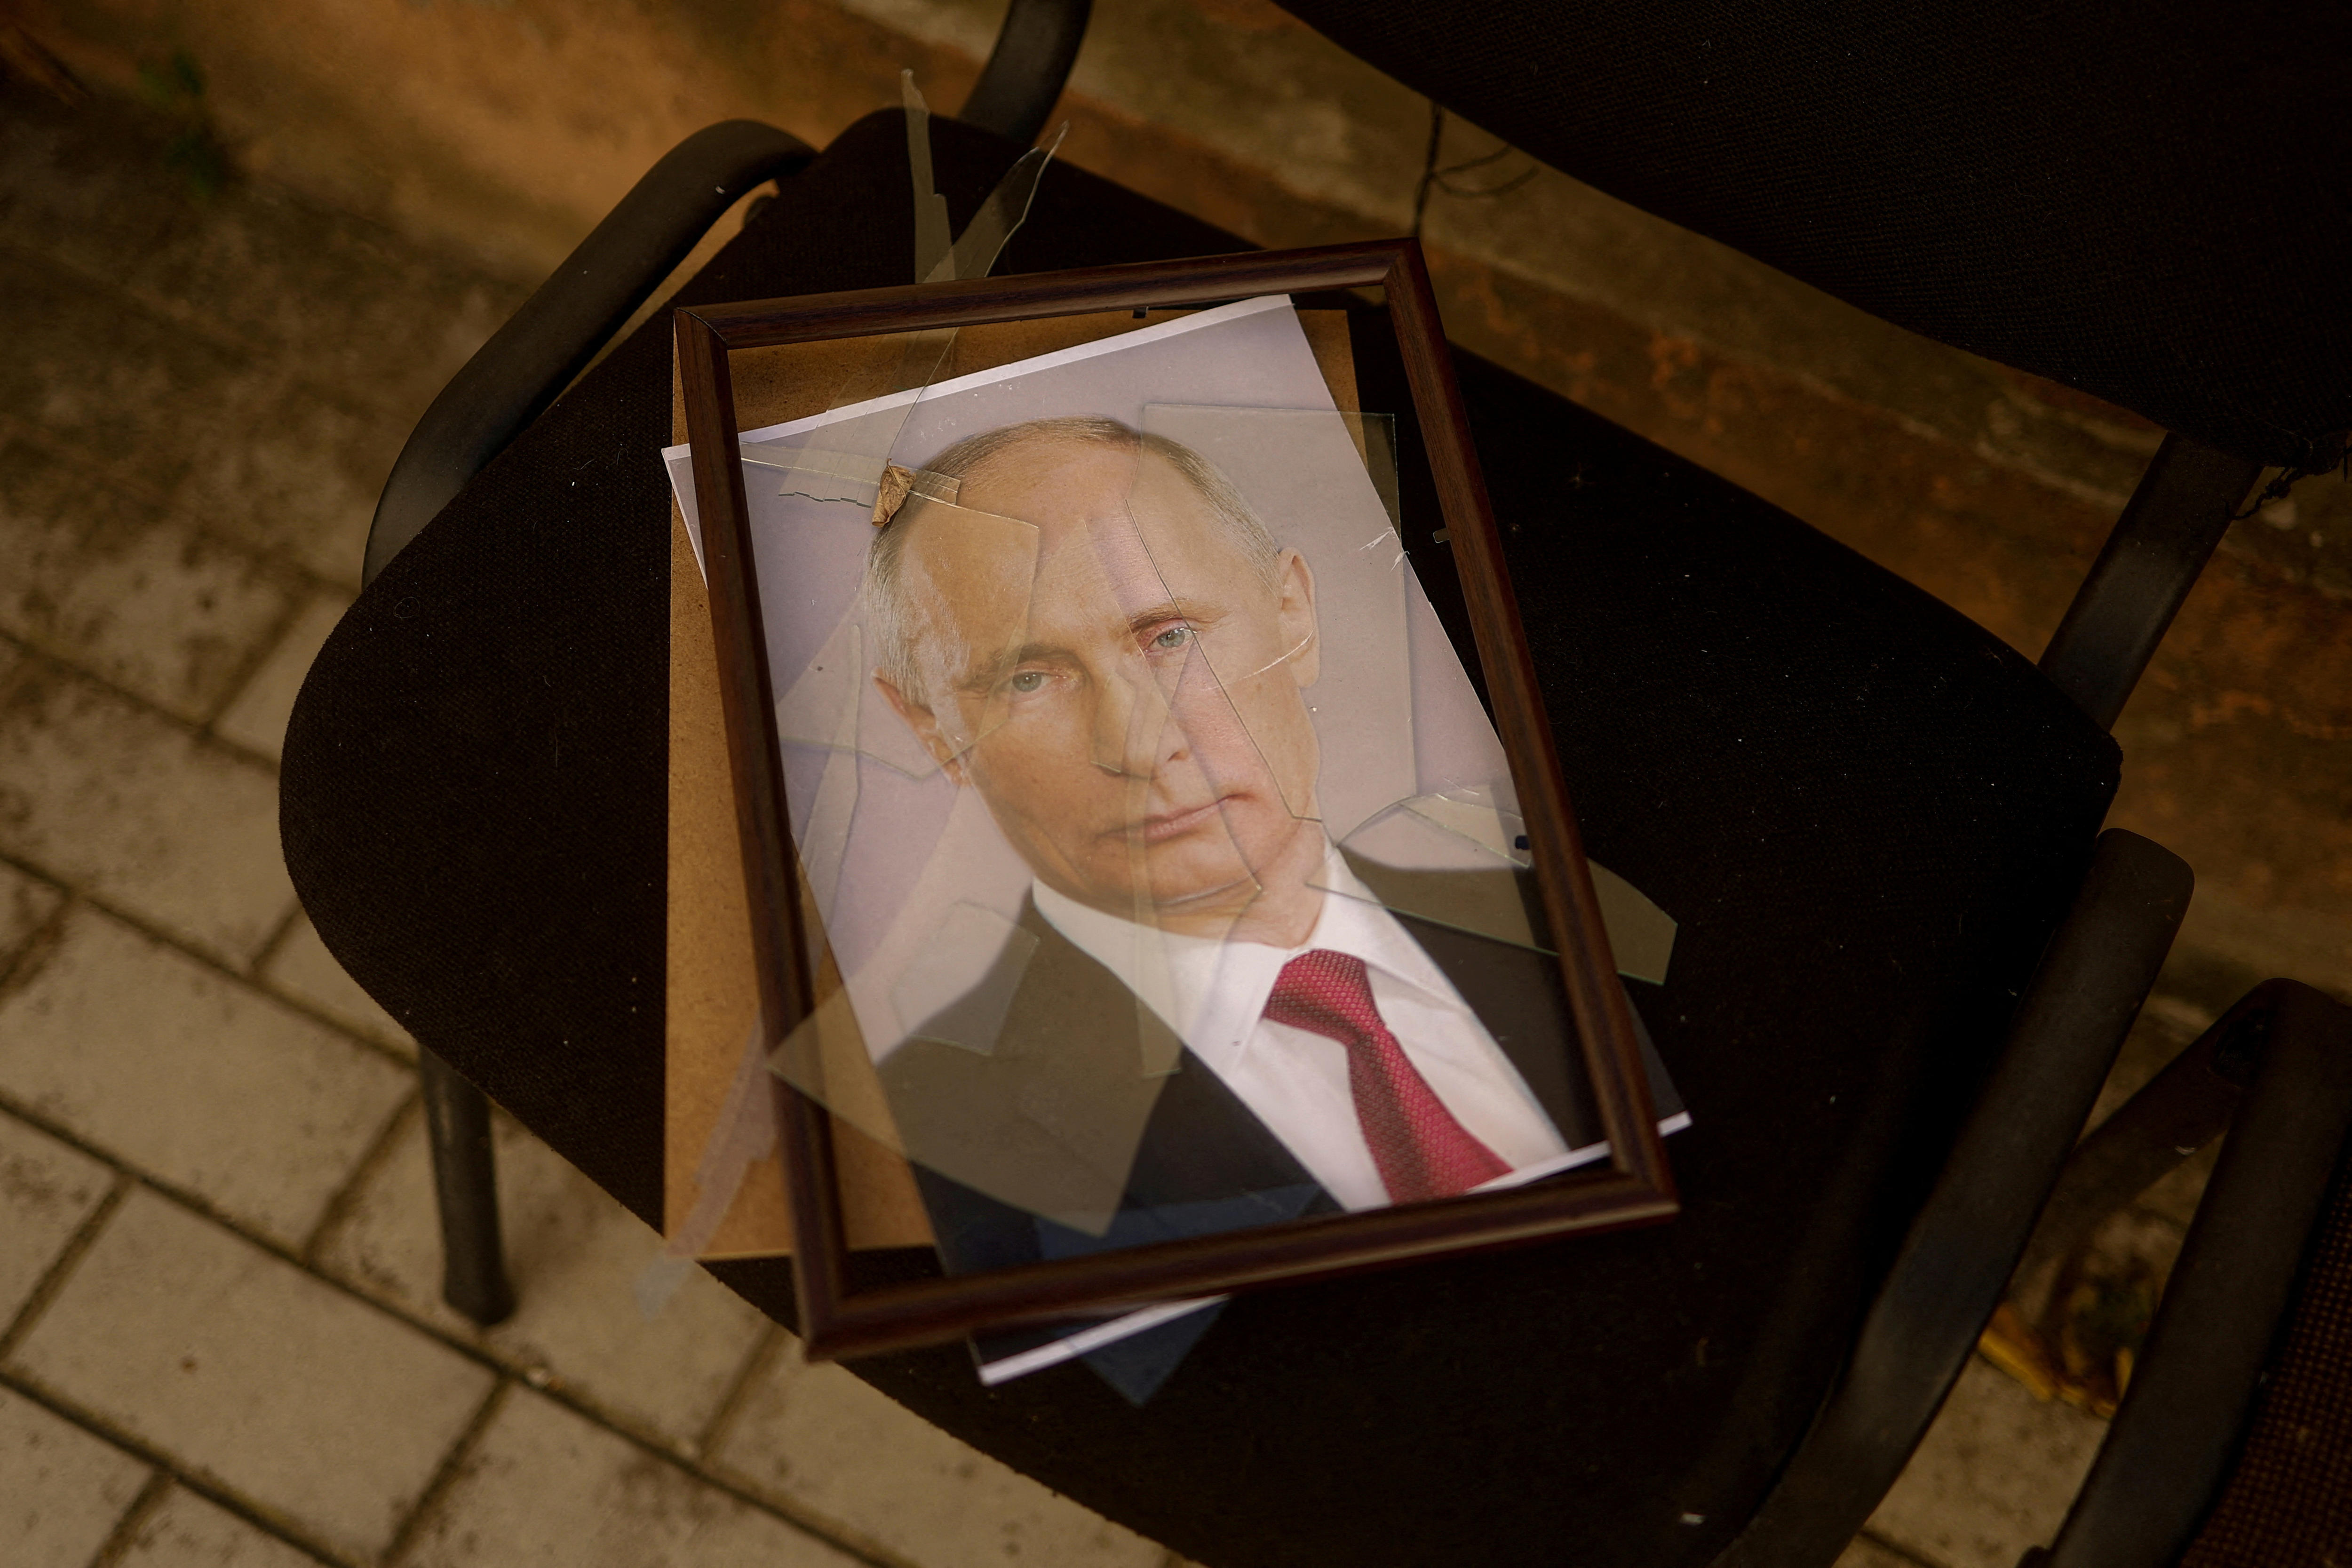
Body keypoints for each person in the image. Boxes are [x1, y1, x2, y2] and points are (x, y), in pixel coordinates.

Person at [861, 415, 1665, 1274]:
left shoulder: (1573, 915)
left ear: (1293, 615)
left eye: (1170, 636)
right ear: (933, 730)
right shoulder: (922, 1140)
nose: (1138, 743)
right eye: (1029, 679)